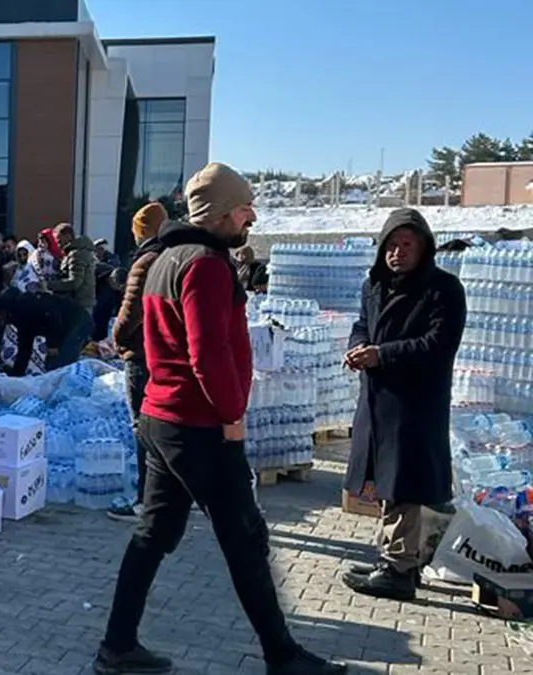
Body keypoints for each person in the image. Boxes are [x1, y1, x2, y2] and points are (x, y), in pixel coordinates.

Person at [96, 163, 345, 675]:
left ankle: (117, 646)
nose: (251, 216)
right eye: (245, 208)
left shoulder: (164, 257)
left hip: (162, 417)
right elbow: (208, 354)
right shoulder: (206, 264)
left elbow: (149, 339)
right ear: (223, 213)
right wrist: (232, 415)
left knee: (154, 532)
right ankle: (282, 655)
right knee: (246, 539)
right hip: (199, 424)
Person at [340, 208, 466, 601]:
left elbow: (437, 345)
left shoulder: (443, 289)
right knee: (385, 483)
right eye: (392, 245)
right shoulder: (374, 285)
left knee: (404, 483)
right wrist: (358, 347)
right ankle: (393, 560)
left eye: (407, 245)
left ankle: (399, 568)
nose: (398, 252)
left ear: (424, 247)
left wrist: (384, 355)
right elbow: (362, 323)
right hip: (377, 398)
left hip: (414, 402)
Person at [106, 202, 168, 522]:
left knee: (144, 429)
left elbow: (130, 315)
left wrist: (116, 338)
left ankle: (146, 501)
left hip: (143, 356)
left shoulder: (145, 262)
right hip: (169, 358)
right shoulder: (176, 258)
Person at [0, 288, 93, 376]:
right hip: (64, 328)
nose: (1, 324)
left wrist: (53, 345)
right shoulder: (18, 319)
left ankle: (69, 390)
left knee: (62, 364)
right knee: (52, 365)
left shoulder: (27, 305)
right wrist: (17, 372)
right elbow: (25, 346)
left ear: (3, 312)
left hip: (77, 322)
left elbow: (53, 316)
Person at [47, 223, 98, 312]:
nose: (58, 245)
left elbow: (75, 282)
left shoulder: (76, 254)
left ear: (68, 236)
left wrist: (49, 285)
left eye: (59, 241)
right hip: (80, 304)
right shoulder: (79, 252)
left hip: (78, 305)